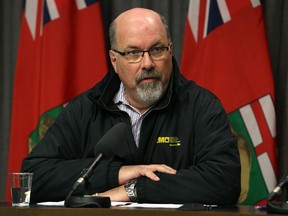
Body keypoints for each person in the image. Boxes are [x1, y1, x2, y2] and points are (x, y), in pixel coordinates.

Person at [21, 7, 241, 205]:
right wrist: (119, 173)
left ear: (170, 50)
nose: (147, 63)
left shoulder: (201, 106)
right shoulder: (87, 109)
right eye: (134, 53)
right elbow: (33, 177)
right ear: (114, 60)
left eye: (156, 50)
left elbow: (224, 181)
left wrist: (133, 189)